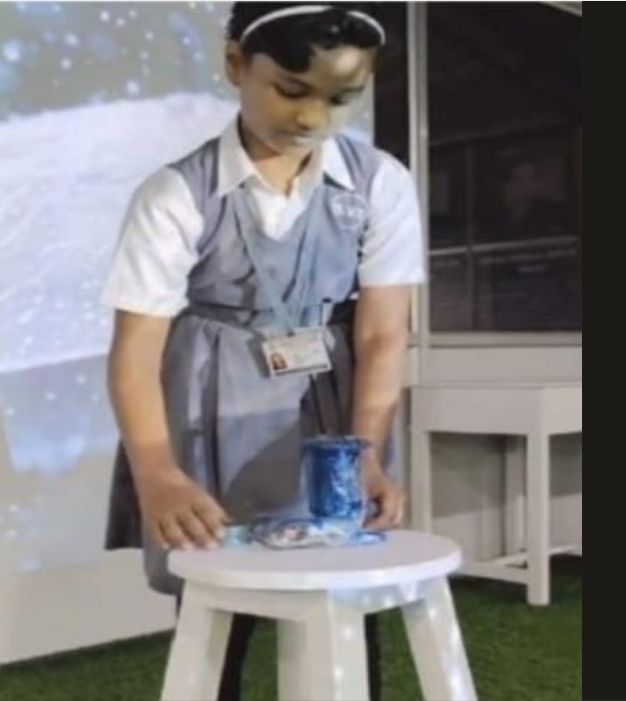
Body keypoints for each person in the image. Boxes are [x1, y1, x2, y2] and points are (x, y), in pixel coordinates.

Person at [101, 3, 425, 699]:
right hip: (210, 399)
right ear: (234, 64)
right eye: (290, 88)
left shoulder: (380, 183)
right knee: (219, 599)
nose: (311, 117)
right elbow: (134, 350)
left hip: (331, 402)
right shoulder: (175, 193)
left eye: (341, 98)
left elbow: (380, 332)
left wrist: (366, 451)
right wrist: (157, 470)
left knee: (346, 592)